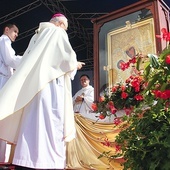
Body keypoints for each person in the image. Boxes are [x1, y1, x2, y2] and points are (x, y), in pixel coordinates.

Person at [0, 13, 85, 169]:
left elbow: (25, 59)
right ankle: (48, 161)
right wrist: (75, 64)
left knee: (31, 121)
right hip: (51, 86)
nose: (65, 31)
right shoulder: (58, 32)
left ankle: (26, 158)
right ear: (60, 24)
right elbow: (66, 59)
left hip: (34, 86)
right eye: (65, 27)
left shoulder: (37, 36)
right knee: (50, 123)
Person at [0, 23, 22, 162]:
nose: (16, 35)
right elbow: (10, 60)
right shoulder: (3, 40)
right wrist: (27, 58)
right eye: (15, 31)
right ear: (6, 29)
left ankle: (2, 157)